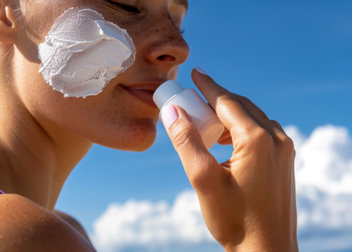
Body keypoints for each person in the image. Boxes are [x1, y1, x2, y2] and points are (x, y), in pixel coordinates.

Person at [0, 0, 298, 251]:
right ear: (5, 12)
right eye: (126, 4)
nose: (178, 47)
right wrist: (260, 237)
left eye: (178, 21)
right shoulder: (32, 236)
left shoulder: (62, 229)